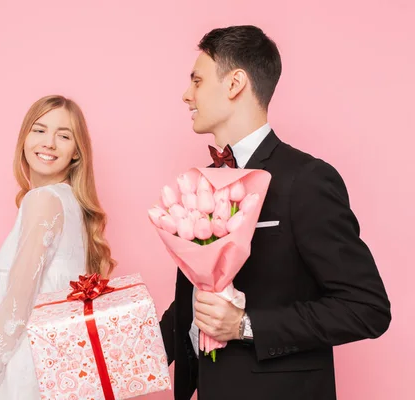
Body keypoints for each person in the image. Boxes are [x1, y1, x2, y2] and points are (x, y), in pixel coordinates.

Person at [159, 25, 391, 400]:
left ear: (235, 84)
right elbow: (196, 301)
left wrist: (245, 325)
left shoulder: (308, 179)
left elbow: (367, 308)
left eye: (197, 81)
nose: (187, 96)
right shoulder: (202, 183)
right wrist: (106, 356)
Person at [0, 95, 116, 400]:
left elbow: (17, 302)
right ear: (24, 137)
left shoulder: (44, 201)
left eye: (63, 136)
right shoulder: (70, 204)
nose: (48, 142)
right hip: (57, 374)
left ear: (76, 152)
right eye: (39, 130)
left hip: (30, 374)